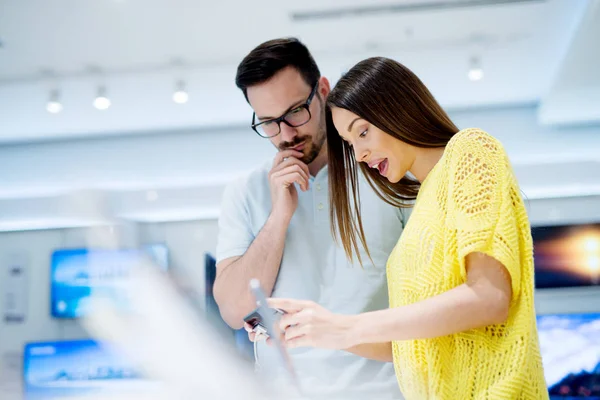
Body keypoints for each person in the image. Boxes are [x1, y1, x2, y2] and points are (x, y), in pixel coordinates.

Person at [269, 57, 548, 399]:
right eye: (350, 141)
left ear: (396, 108)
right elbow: (414, 346)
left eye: (362, 131)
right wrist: (318, 330)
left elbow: (489, 298)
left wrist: (347, 327)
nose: (358, 154)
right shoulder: (421, 210)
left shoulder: (471, 150)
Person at [213, 40, 406, 399]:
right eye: (269, 123)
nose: (286, 134)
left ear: (322, 91)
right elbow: (233, 310)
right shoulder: (245, 191)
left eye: (295, 112)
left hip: (387, 390)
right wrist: (279, 216)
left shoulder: (383, 167)